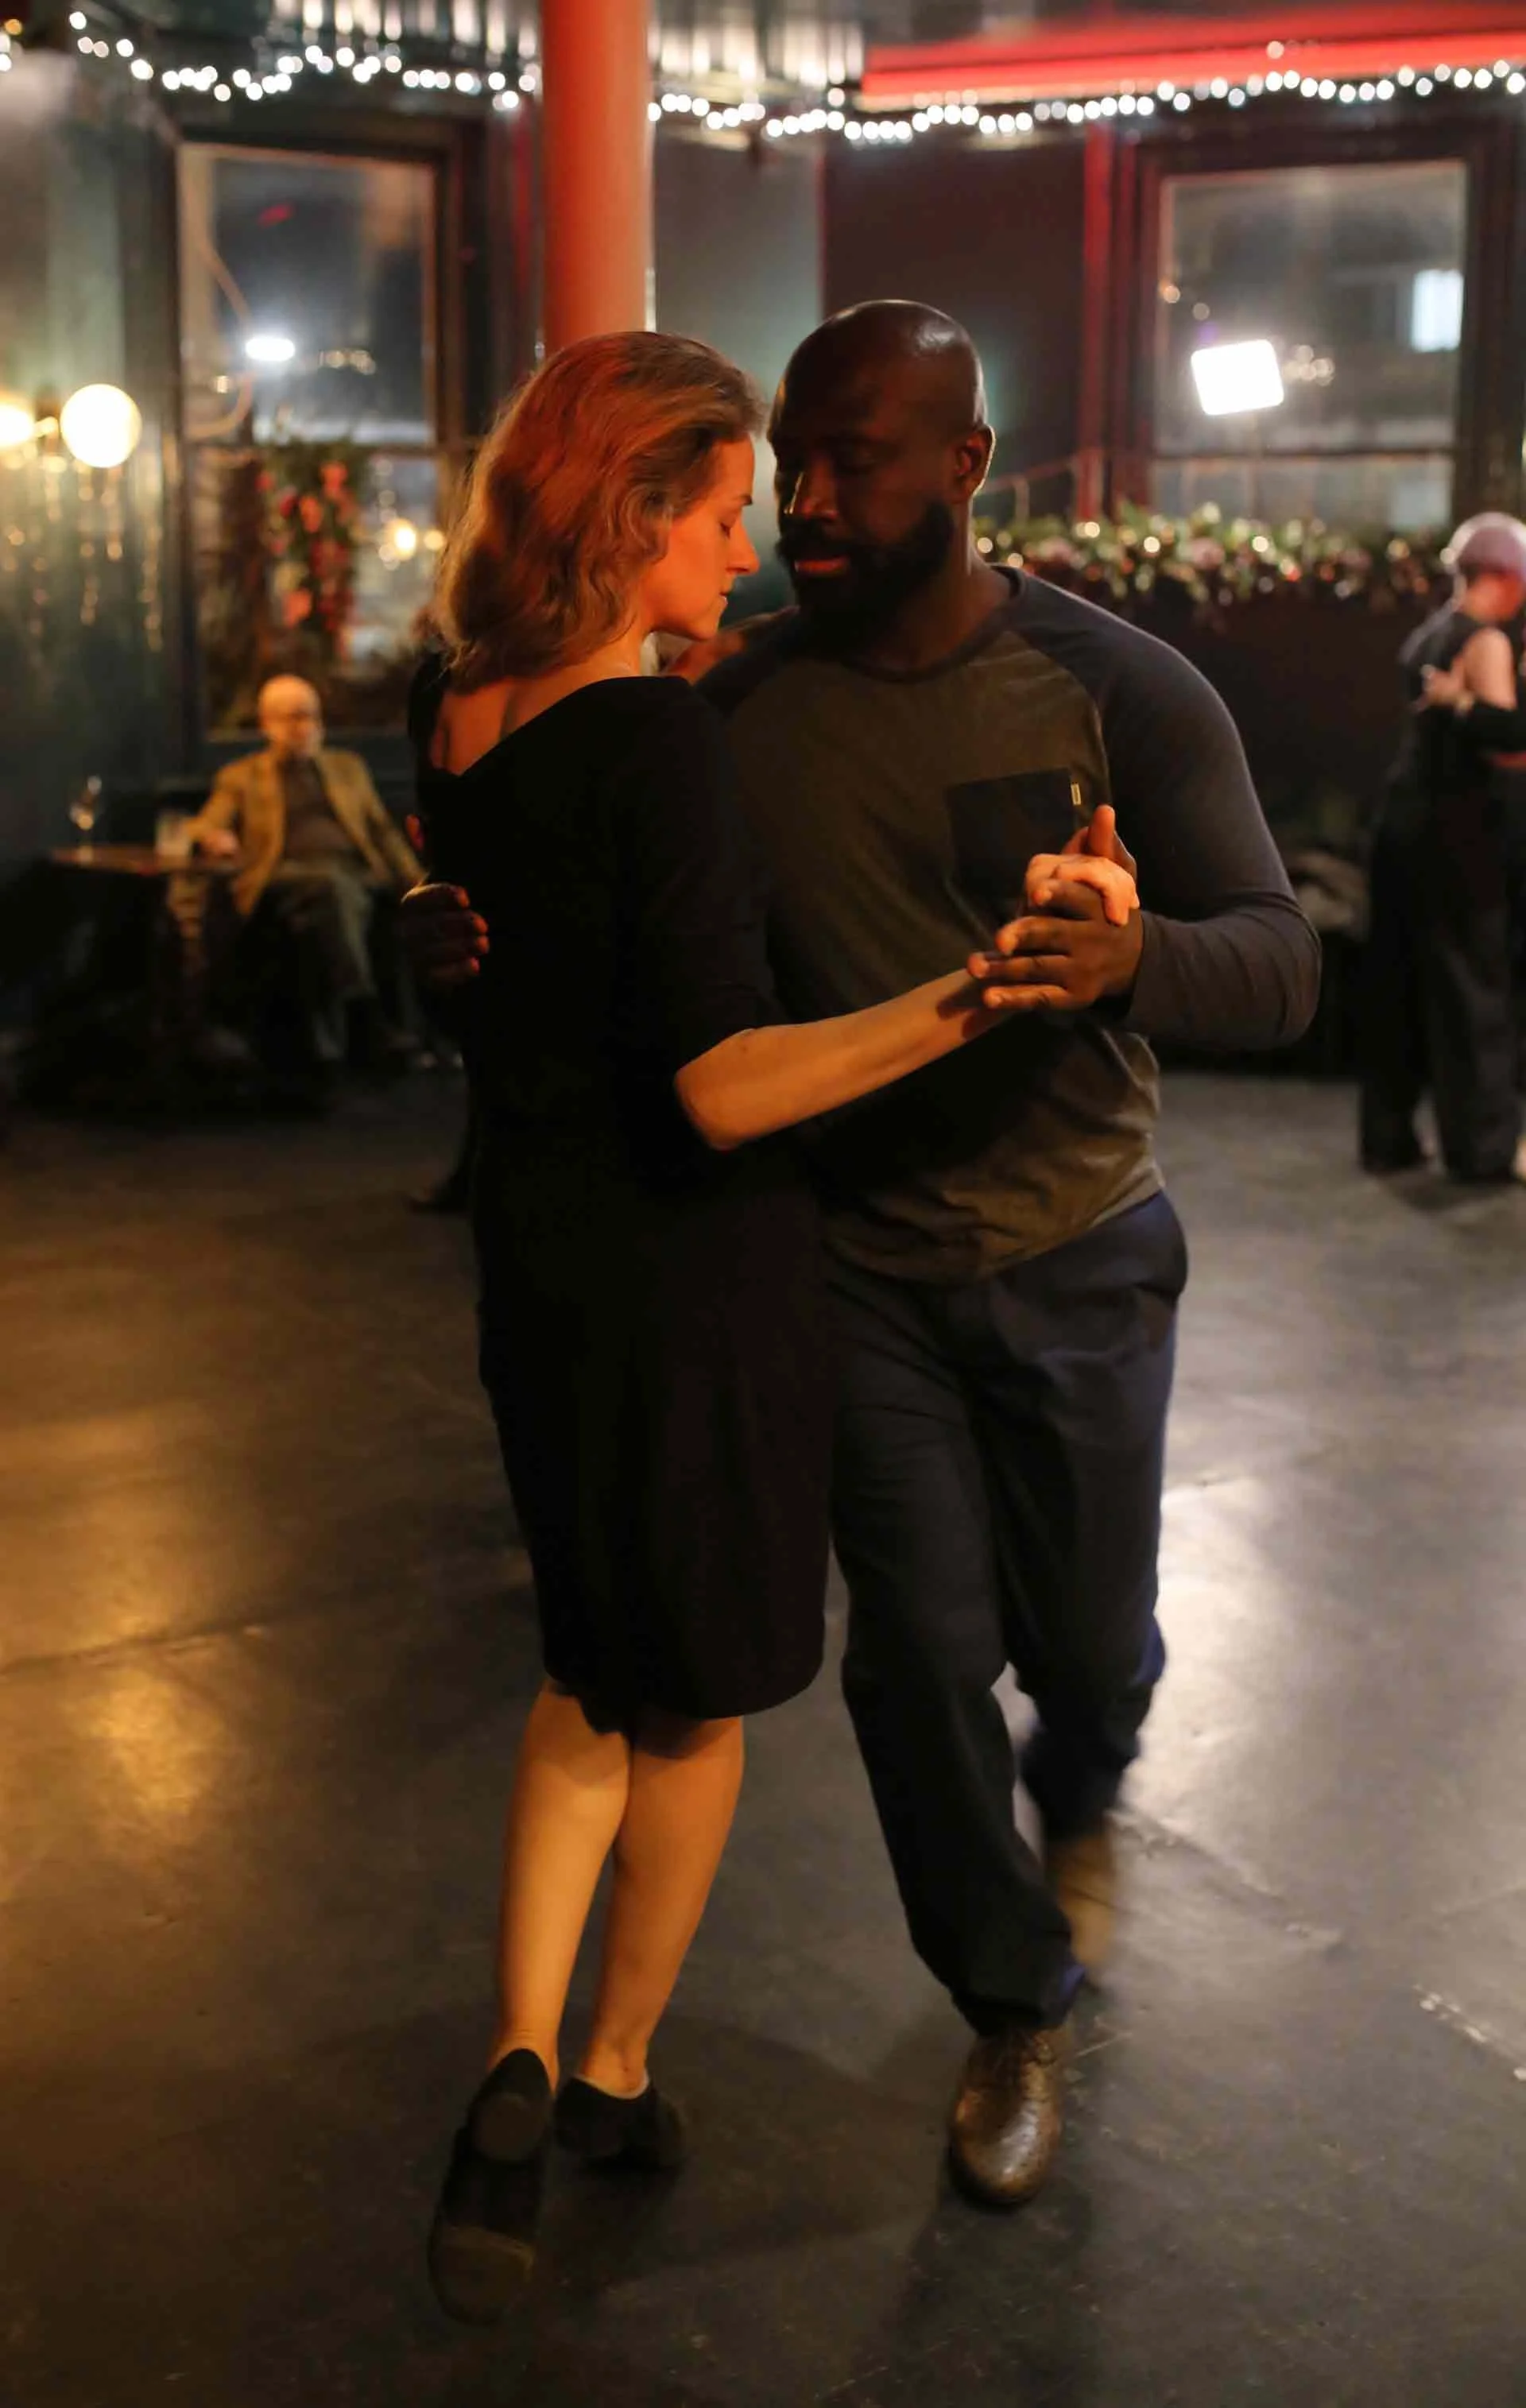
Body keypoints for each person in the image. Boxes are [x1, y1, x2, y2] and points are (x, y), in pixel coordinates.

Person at [404, 300, 1319, 2223]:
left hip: (1076, 1254)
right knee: (911, 1659)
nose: (804, 504)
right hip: (847, 1271)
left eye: (848, 463)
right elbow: (592, 892)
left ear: (965, 469)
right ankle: (1008, 2003)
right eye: (778, 469)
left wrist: (1128, 958)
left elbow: (1284, 954)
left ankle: (1083, 1776)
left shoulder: (1116, 687)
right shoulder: (725, 700)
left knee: (1082, 1649)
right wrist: (443, 936)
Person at [1358, 514, 1526, 1183]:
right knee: (1473, 991)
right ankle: (1482, 1149)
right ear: (1506, 578)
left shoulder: (1426, 633)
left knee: (1396, 988)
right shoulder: (1482, 639)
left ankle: (1388, 1138)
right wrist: (1467, 706)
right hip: (1463, 838)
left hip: (1403, 827)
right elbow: (1512, 738)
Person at [187, 674, 420, 1089]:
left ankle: (335, 1040)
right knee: (328, 886)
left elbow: (381, 830)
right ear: (267, 723)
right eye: (294, 717)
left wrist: (414, 881)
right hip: (282, 875)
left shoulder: (348, 767)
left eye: (312, 715)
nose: (306, 726)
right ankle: (364, 1013)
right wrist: (210, 837)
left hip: (352, 875)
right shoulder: (241, 777)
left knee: (332, 895)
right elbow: (205, 824)